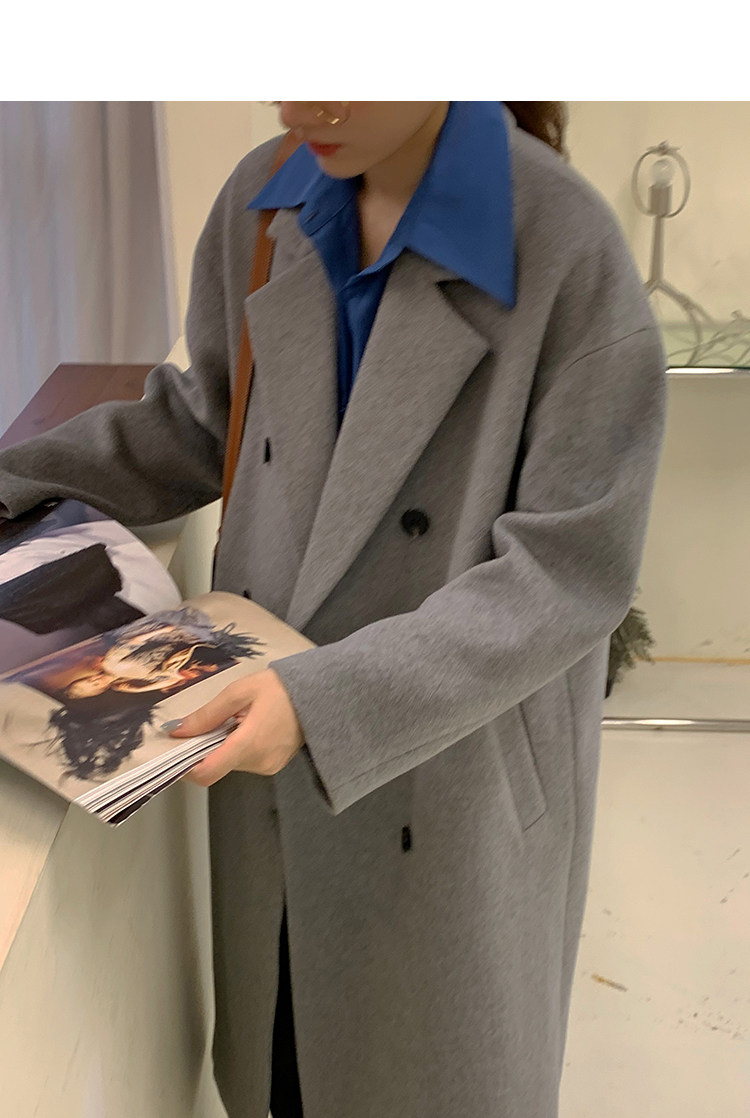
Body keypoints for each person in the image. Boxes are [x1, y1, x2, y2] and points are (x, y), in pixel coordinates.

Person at [0, 103, 667, 1118]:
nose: (306, 100)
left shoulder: (567, 248)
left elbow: (568, 571)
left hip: (446, 777)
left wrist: (327, 703)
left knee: (424, 1070)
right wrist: (14, 476)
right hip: (266, 769)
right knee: (285, 1064)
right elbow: (204, 420)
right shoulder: (265, 204)